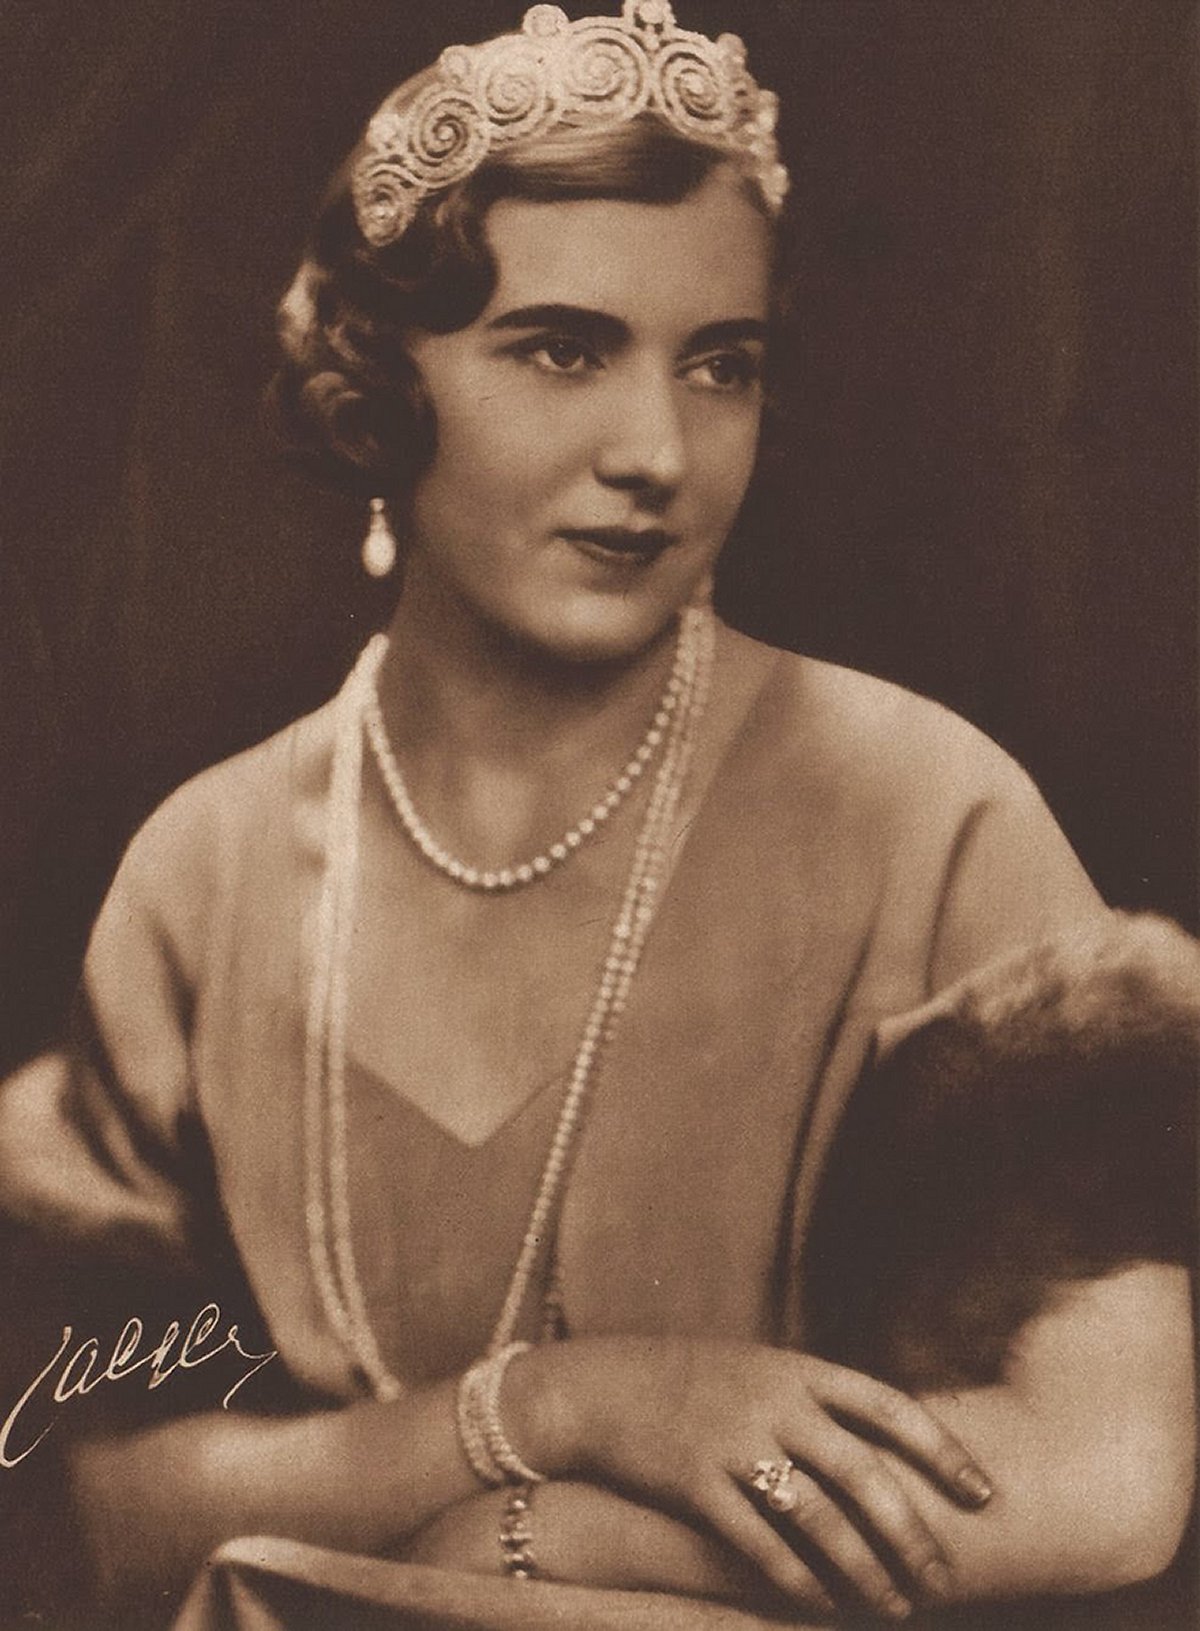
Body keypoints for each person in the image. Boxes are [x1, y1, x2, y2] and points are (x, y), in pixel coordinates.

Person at [0, 4, 1191, 1627]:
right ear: (378, 386)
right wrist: (558, 1410)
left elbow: (1113, 1477)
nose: (658, 452)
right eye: (562, 349)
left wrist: (554, 1539)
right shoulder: (199, 873)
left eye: (721, 365)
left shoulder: (930, 811)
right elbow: (88, 1501)